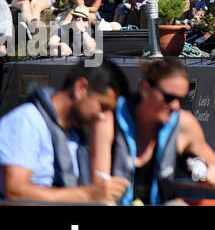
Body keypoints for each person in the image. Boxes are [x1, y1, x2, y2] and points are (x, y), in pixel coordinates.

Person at [92, 58, 215, 204]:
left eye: (181, 100)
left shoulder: (183, 124)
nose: (175, 106)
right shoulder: (109, 119)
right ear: (145, 89)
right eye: (169, 98)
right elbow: (100, 188)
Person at [0, 59, 130, 202]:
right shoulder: (25, 122)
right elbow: (15, 193)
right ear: (81, 88)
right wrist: (87, 195)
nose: (102, 116)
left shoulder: (73, 135)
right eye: (102, 106)